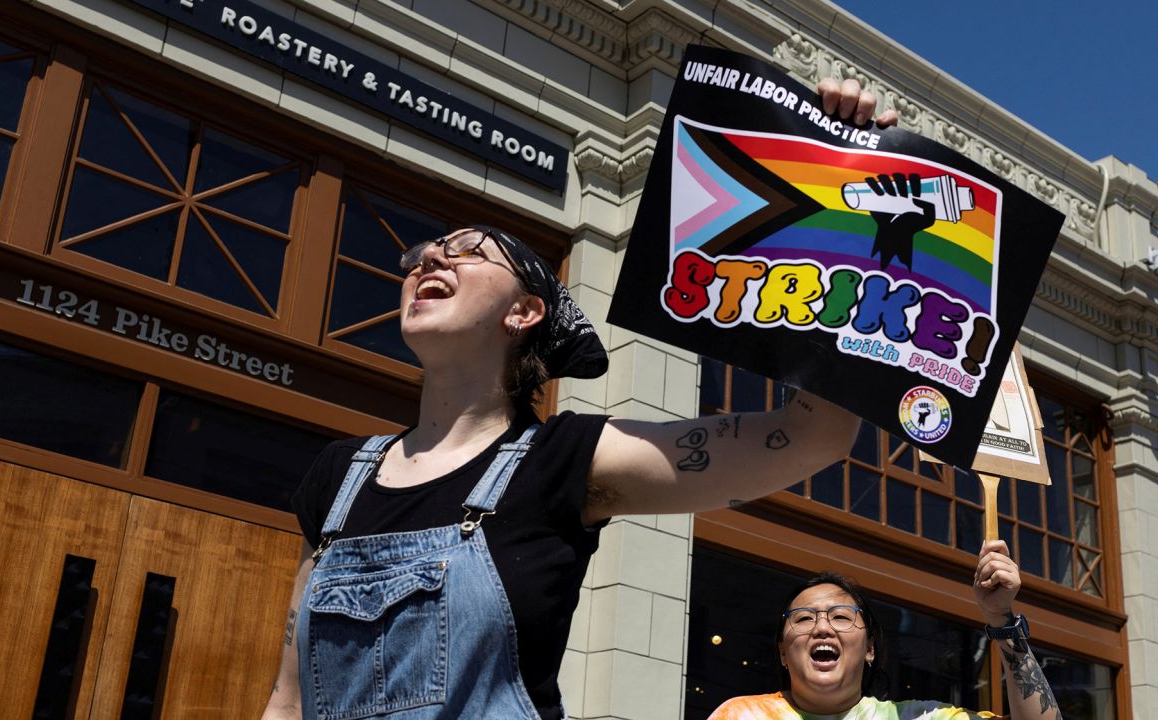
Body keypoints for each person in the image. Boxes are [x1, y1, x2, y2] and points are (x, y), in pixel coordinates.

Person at [261, 80, 897, 720]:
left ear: (525, 311)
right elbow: (288, 701)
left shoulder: (563, 460)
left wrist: (835, 192)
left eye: (468, 253)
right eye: (425, 254)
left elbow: (813, 436)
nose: (431, 258)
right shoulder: (339, 478)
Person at [706, 540, 1062, 720]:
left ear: (870, 648)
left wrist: (1001, 618)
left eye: (841, 616)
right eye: (803, 618)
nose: (822, 628)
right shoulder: (739, 715)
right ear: (784, 651)